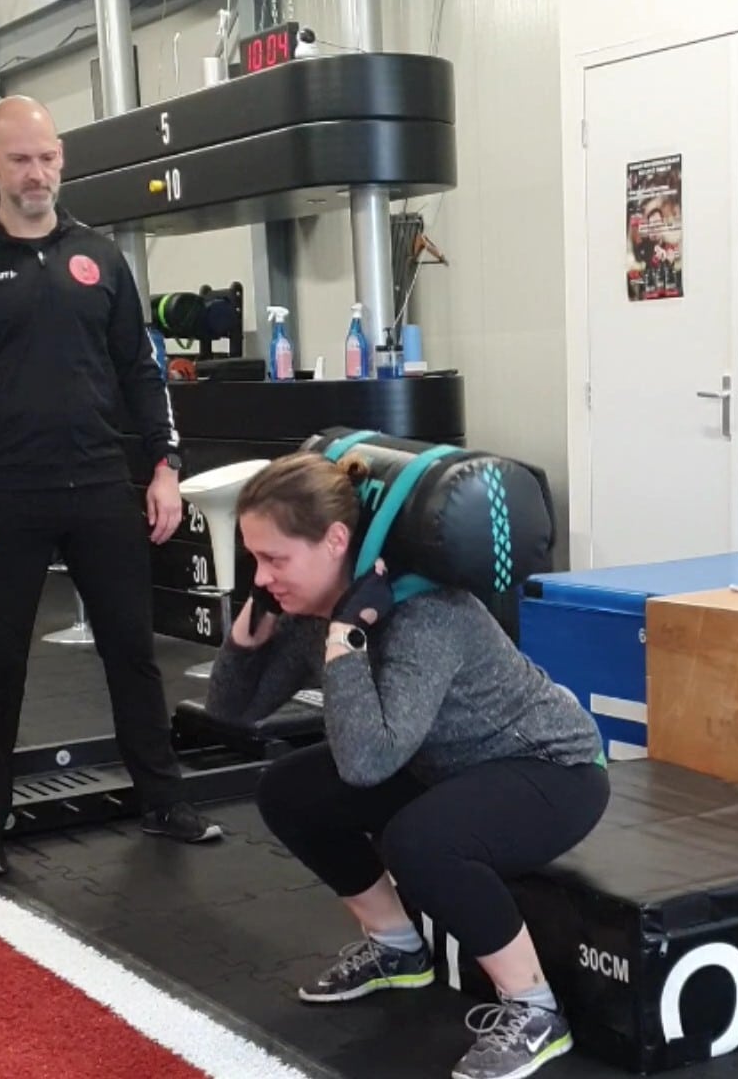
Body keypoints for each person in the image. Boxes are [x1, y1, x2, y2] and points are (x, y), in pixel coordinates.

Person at [205, 450, 610, 1079]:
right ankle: (398, 949)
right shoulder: (315, 610)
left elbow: (367, 762)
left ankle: (535, 1009)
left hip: (552, 770)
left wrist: (346, 639)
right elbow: (232, 710)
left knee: (421, 842)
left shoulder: (427, 615)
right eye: (255, 559)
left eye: (275, 559)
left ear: (334, 540)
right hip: (445, 765)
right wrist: (247, 632)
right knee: (288, 790)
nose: (263, 577)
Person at [0, 96, 222, 871]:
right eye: (20, 160)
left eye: (47, 158)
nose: (36, 173)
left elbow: (141, 369)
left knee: (132, 650)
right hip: (5, 491)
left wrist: (165, 467)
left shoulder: (99, 256)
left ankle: (164, 801)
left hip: (101, 482)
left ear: (61, 159)